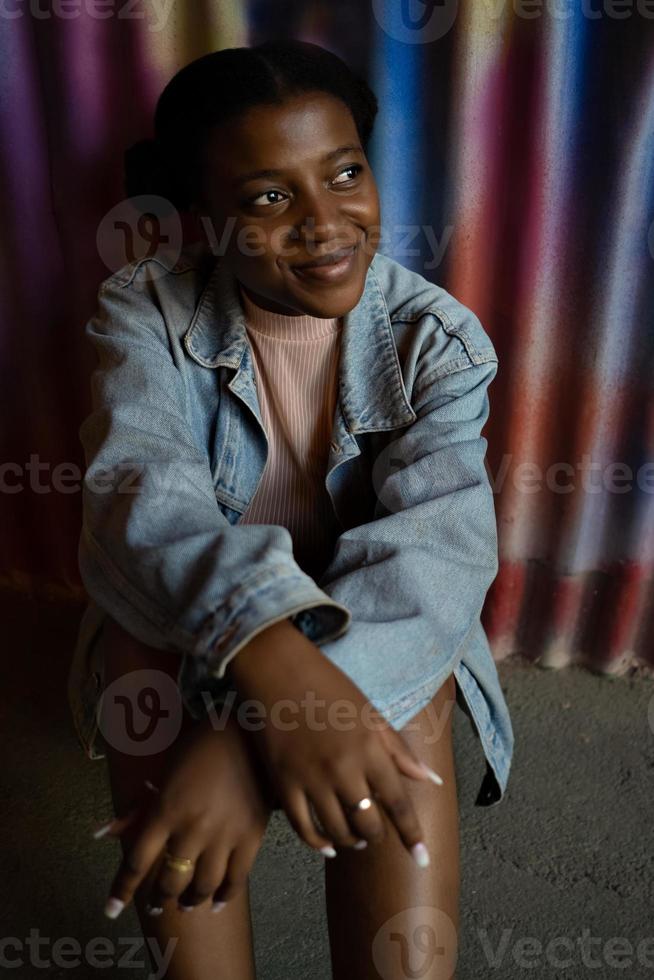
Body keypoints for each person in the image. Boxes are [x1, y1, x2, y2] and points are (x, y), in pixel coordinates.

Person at [67, 39, 514, 980]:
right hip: (193, 610)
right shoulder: (140, 309)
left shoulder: (437, 341)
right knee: (138, 661)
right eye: (269, 197)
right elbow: (140, 506)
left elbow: (436, 562)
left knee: (412, 694)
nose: (325, 222)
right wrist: (264, 665)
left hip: (370, 621)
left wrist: (241, 736)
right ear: (202, 217)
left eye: (345, 172)